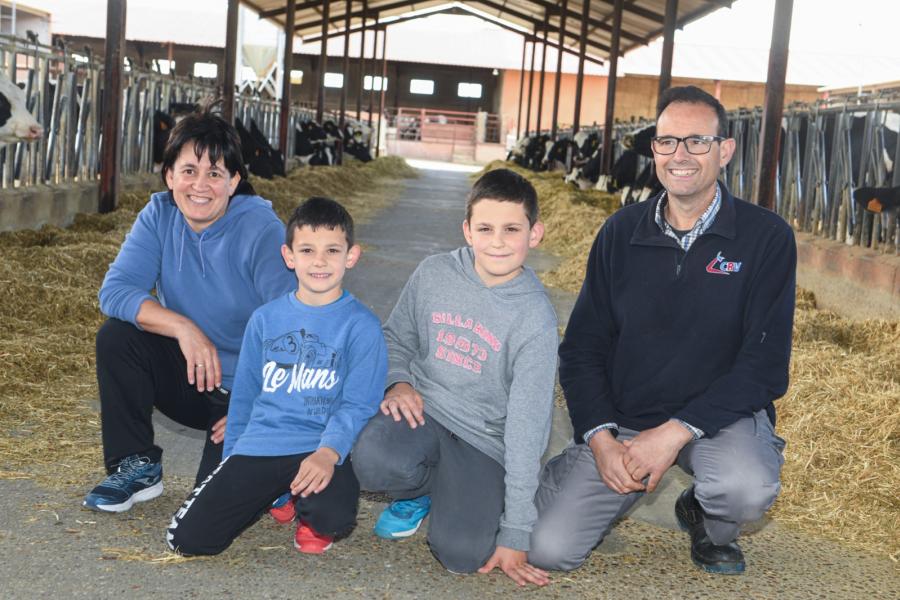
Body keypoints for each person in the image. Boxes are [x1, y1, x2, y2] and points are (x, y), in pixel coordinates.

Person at [528, 85, 795, 575]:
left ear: (725, 151)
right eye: (667, 142)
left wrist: (673, 434)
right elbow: (583, 347)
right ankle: (593, 478)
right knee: (549, 550)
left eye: (697, 141)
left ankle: (704, 515)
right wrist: (601, 438)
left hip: (720, 418)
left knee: (741, 488)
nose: (681, 156)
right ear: (653, 150)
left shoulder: (766, 237)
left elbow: (766, 364)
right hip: (626, 419)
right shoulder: (619, 232)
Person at [83, 104, 296, 512]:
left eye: (215, 173)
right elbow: (115, 290)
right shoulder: (159, 215)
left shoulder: (261, 230)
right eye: (188, 171)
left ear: (234, 181)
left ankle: (273, 457)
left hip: (245, 388)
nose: (200, 185)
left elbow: (291, 328)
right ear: (169, 176)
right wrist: (183, 327)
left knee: (209, 506)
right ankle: (137, 465)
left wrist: (255, 406)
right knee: (118, 336)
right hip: (191, 375)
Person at [352, 168, 558, 587]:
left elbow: (527, 428)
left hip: (484, 440)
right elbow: (396, 337)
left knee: (463, 555)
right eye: (485, 227)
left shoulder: (535, 319)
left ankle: (451, 494)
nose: (497, 241)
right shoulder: (434, 273)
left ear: (534, 234)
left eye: (511, 228)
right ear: (466, 230)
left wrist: (516, 530)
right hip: (424, 410)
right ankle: (419, 492)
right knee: (371, 460)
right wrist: (399, 381)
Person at [166, 197, 388, 555]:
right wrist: (232, 458)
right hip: (262, 445)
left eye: (332, 250)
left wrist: (329, 452)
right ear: (288, 256)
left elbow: (358, 402)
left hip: (318, 446)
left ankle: (306, 508)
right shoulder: (265, 319)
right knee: (186, 541)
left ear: (351, 255)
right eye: (307, 250)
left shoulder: (361, 325)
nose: (319, 261)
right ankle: (277, 494)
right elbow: (246, 394)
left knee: (333, 518)